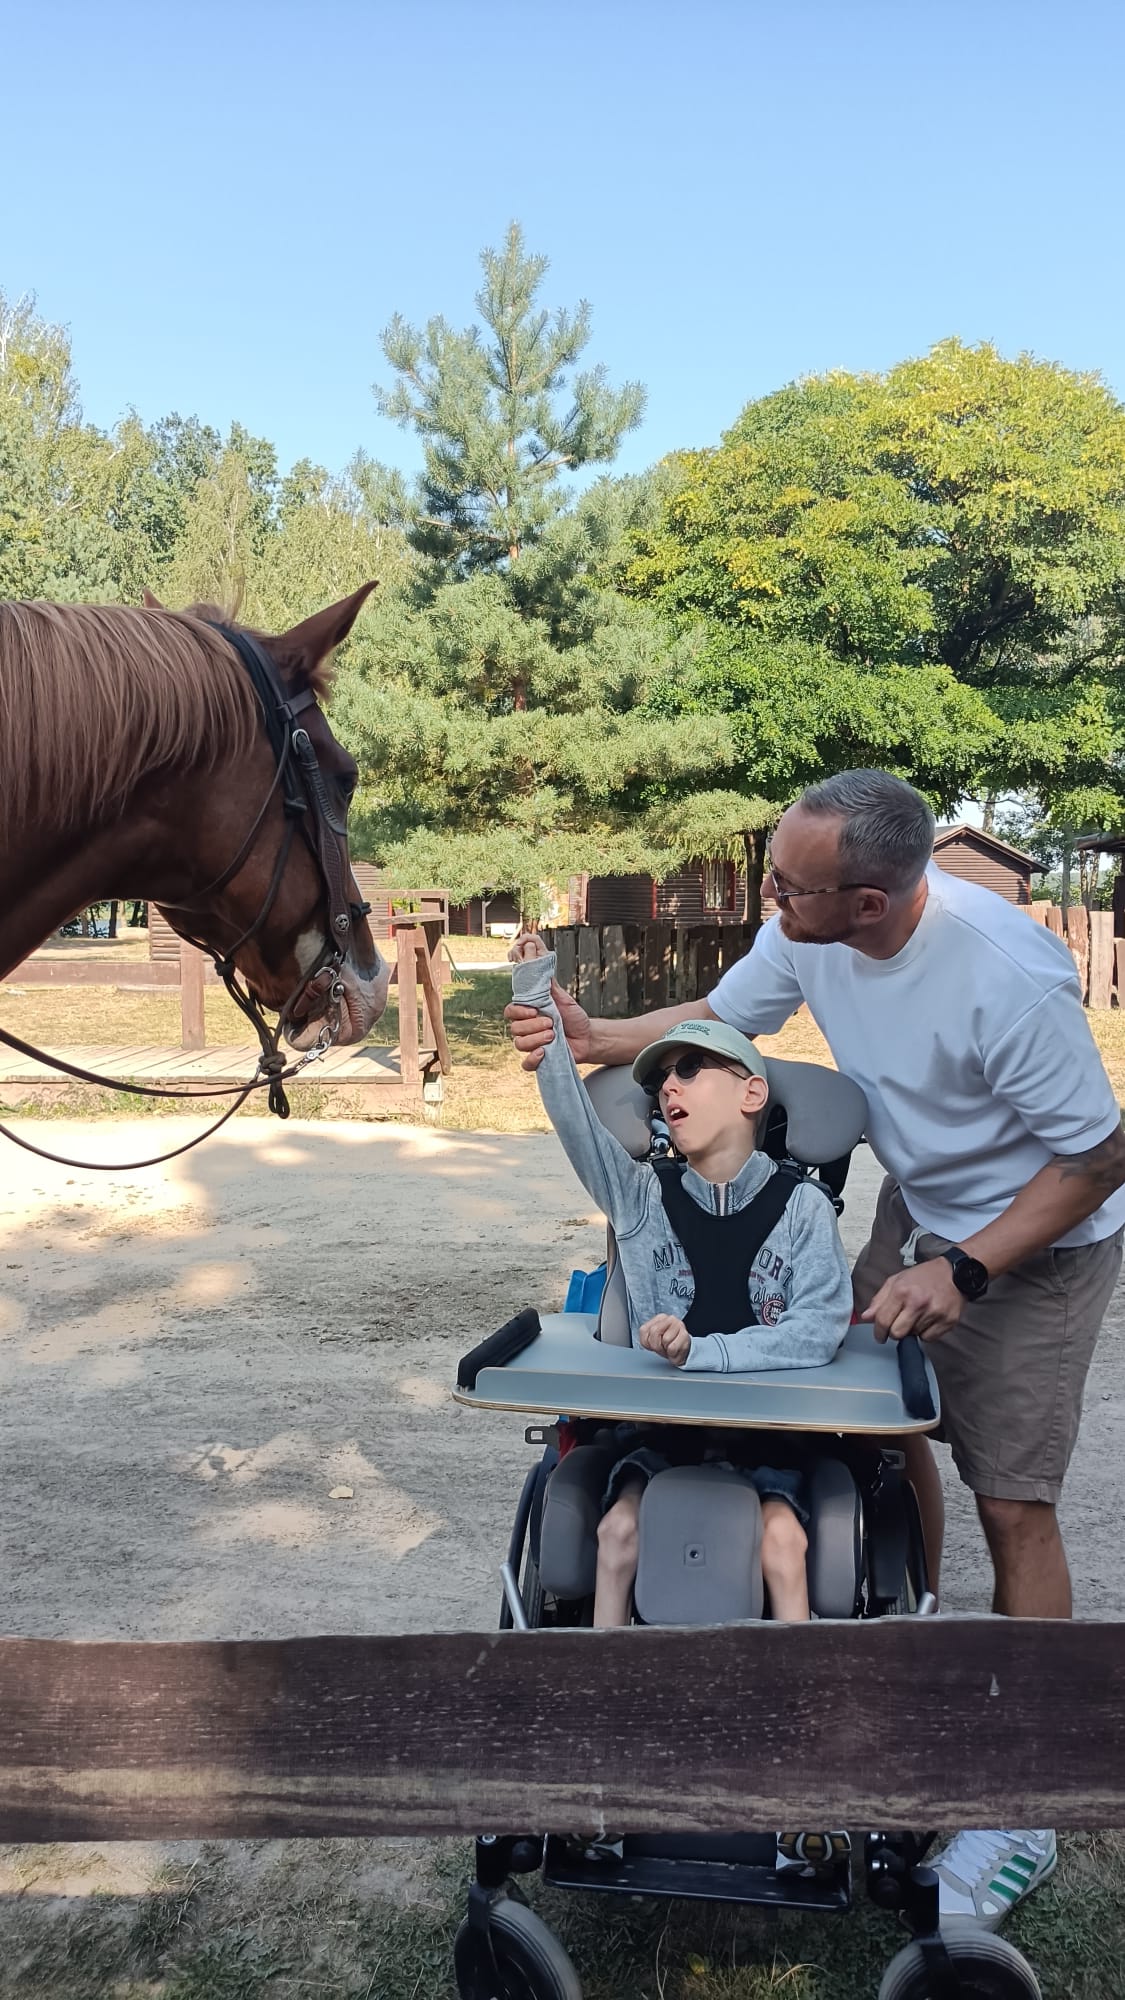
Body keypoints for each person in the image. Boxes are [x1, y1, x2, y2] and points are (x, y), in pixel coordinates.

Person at [507, 770, 1125, 1930]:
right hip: (925, 1204)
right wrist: (601, 1035)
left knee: (1015, 1500)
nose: (770, 897)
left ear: (874, 902)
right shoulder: (812, 921)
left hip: (1038, 1235)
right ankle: (917, 1636)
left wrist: (965, 1268)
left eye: (792, 886)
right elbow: (727, 1019)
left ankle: (1027, 1800)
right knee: (873, 1427)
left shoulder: (1010, 980)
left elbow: (1097, 1159)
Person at [508, 931, 854, 1627]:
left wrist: (703, 1352)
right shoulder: (640, 1197)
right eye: (658, 1081)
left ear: (752, 1091)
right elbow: (575, 1120)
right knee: (616, 1534)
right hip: (660, 1432)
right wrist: (531, 989)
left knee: (784, 1543)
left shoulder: (803, 1209)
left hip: (770, 1433)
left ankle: (804, 1702)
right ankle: (604, 1691)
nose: (667, 1086)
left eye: (691, 1068)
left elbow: (816, 1332)